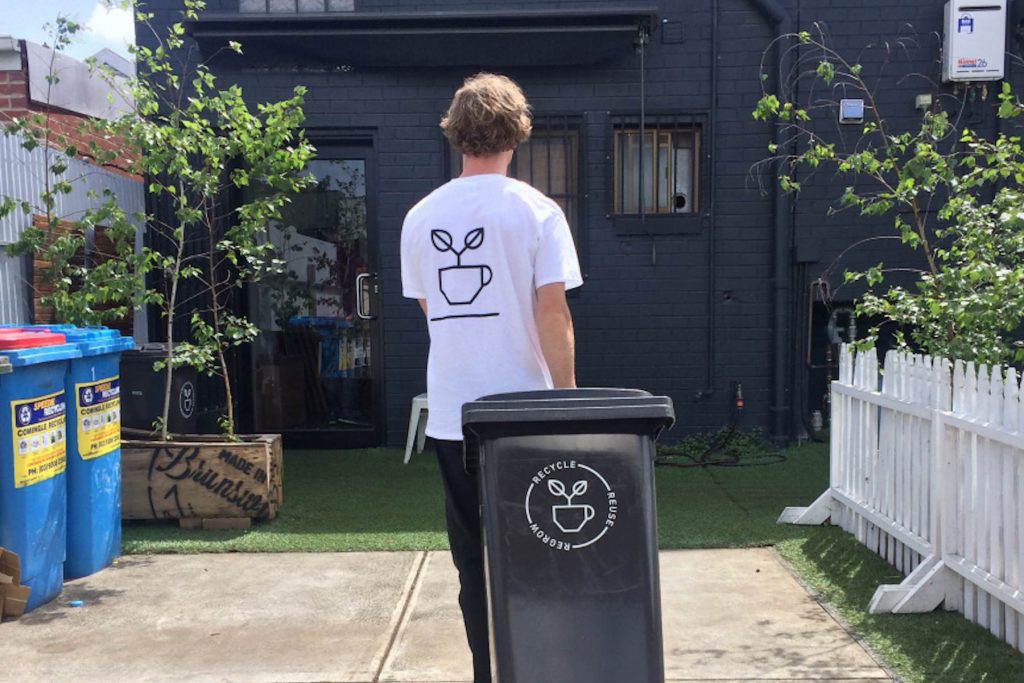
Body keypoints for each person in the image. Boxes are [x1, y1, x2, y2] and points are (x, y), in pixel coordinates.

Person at [400, 72, 583, 682]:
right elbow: (551, 312)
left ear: (457, 135)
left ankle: (489, 672)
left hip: (456, 415)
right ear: (517, 133)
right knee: (538, 549)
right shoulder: (537, 211)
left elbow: (433, 312)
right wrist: (569, 405)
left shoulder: (420, 217)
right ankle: (541, 665)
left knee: (470, 559)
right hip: (526, 415)